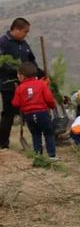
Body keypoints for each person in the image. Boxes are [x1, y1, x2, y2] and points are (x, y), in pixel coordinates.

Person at [0, 18, 41, 150]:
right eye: (25, 31)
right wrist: (17, 72)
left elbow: (31, 62)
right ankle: (3, 144)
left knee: (31, 110)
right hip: (8, 84)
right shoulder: (3, 42)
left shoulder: (24, 44)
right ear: (16, 29)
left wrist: (42, 74)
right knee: (9, 114)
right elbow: (2, 64)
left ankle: (37, 142)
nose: (26, 34)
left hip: (26, 84)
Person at [11, 62, 58, 159]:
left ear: (22, 76)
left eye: (18, 75)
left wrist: (23, 103)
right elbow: (49, 98)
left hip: (29, 115)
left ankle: (38, 155)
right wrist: (52, 106)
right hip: (42, 113)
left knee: (35, 134)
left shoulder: (20, 88)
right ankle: (52, 155)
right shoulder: (42, 84)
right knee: (48, 133)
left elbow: (15, 103)